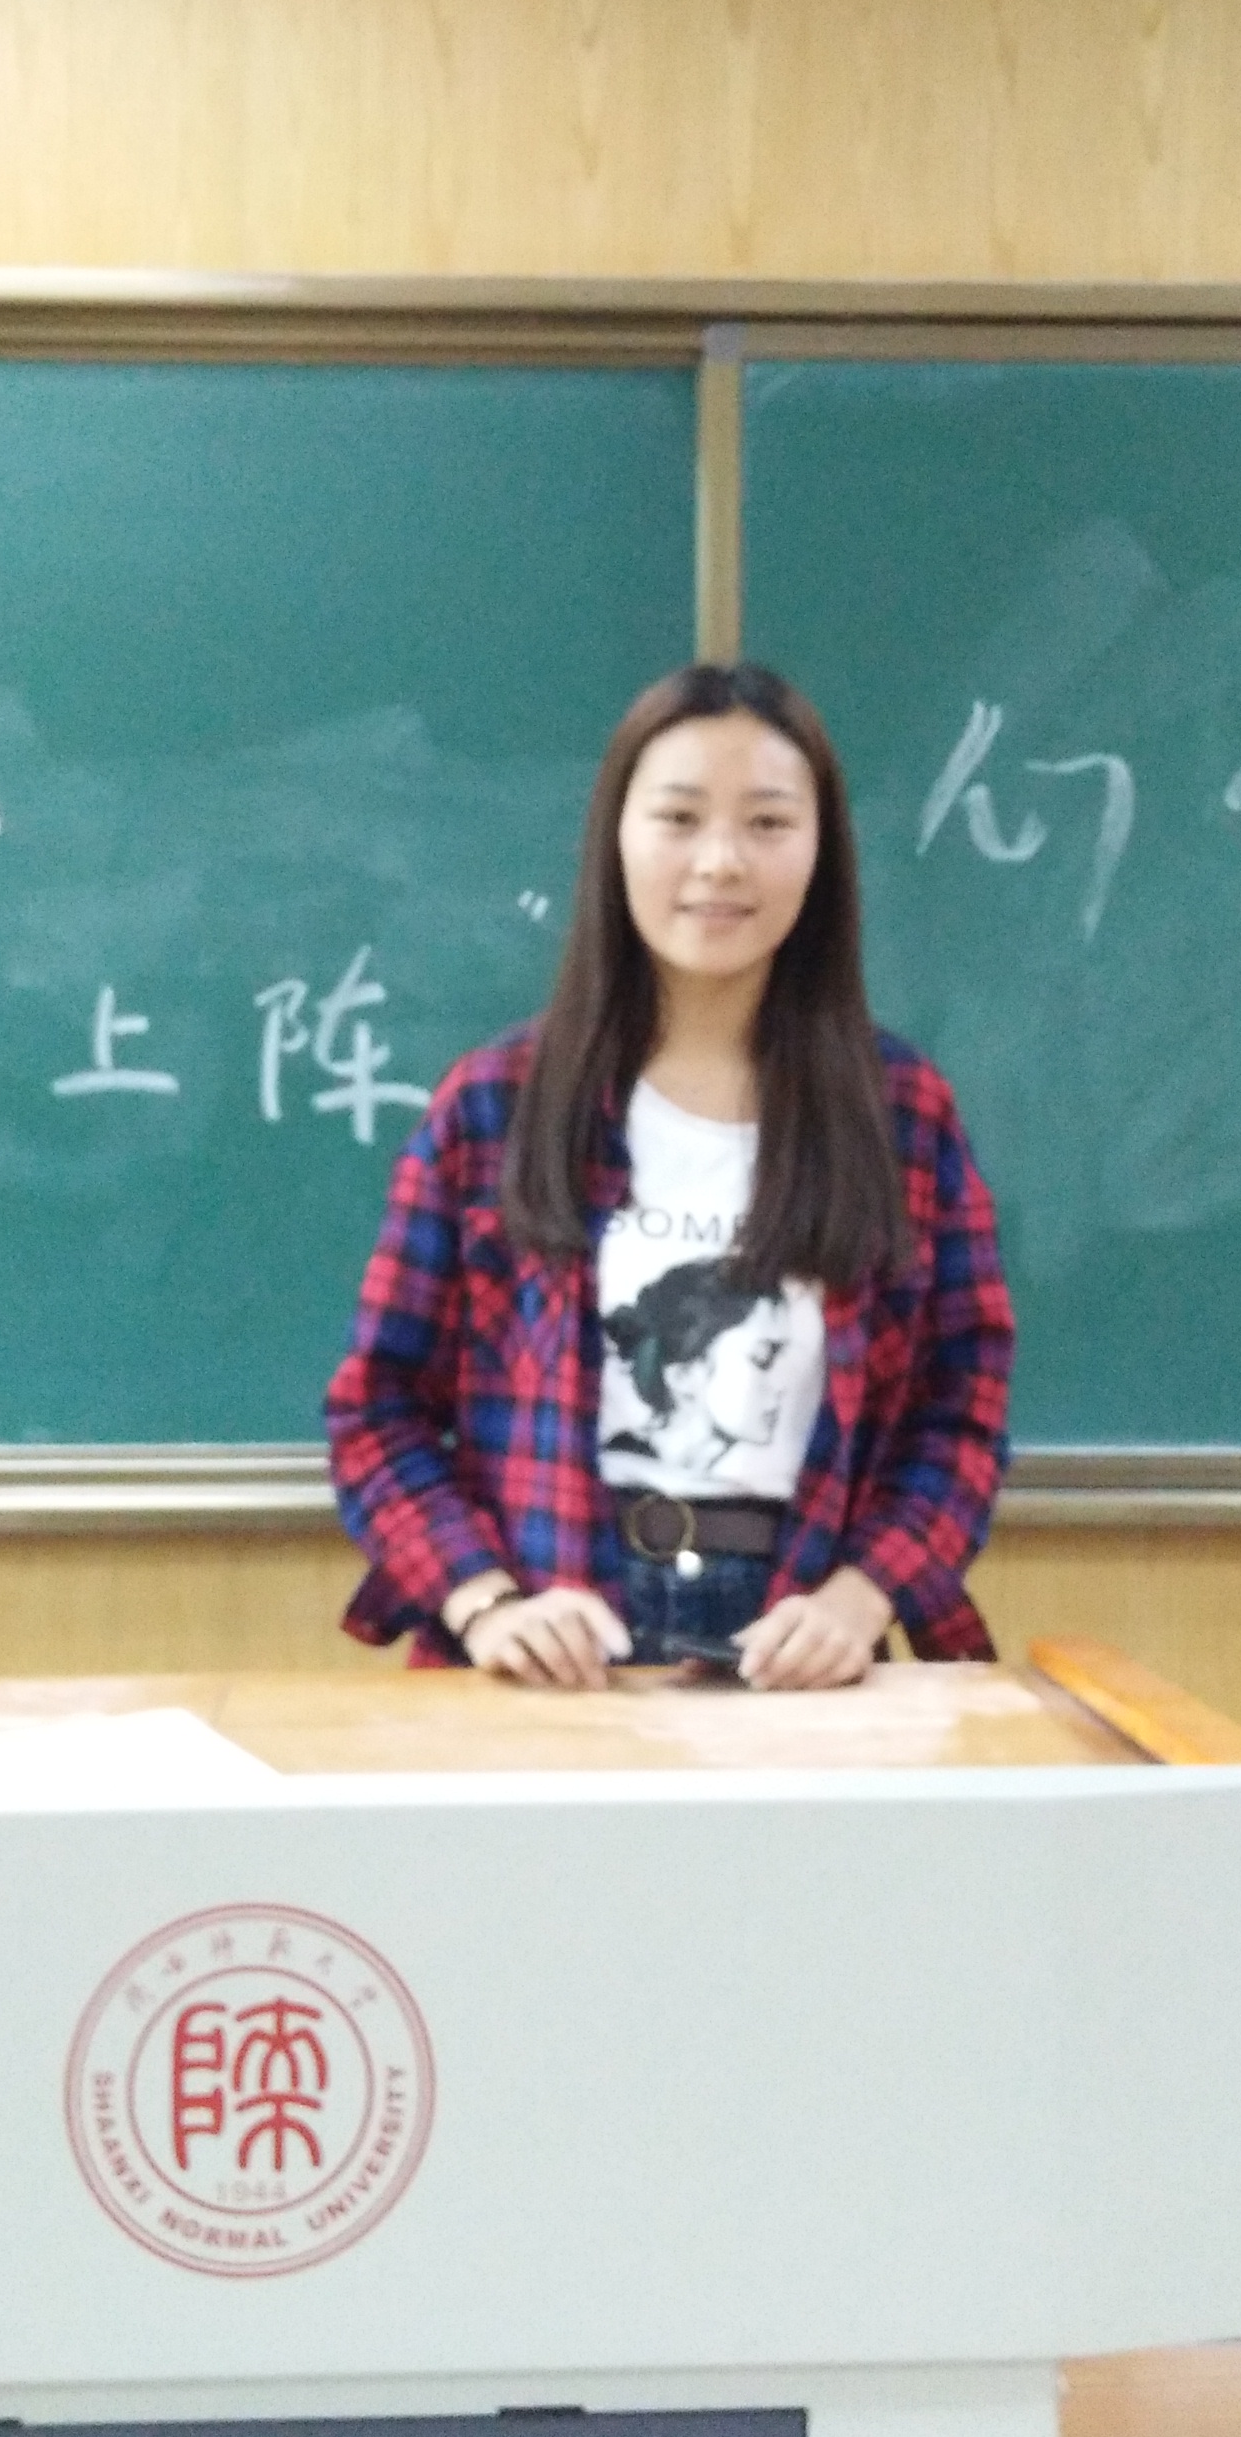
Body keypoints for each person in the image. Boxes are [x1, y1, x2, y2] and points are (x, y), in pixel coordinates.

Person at [327, 660, 1012, 1689]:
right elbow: (376, 1411)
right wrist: (486, 1604)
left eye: (768, 823)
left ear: (821, 851)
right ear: (617, 838)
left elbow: (961, 1414)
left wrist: (858, 1599)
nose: (720, 862)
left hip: (798, 1646)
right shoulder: (493, 1107)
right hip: (554, 1642)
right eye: (679, 819)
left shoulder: (901, 1113)